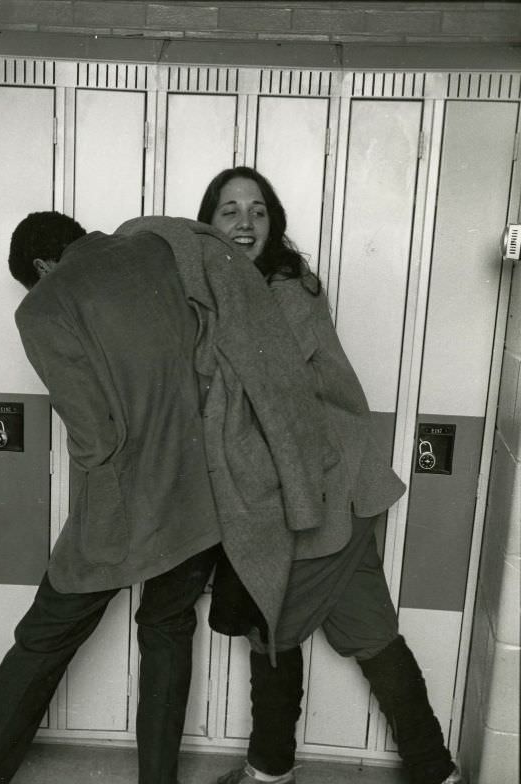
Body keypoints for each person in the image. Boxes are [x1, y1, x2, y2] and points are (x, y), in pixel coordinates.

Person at [196, 167, 463, 784]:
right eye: (229, 210)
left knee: (275, 623)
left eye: (258, 211)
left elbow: (251, 391)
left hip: (325, 489)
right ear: (208, 224)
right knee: (365, 631)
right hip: (308, 496)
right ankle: (432, 771)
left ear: (274, 223)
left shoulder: (290, 292)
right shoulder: (220, 296)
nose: (244, 223)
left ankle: (271, 769)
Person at [0, 211, 224, 784]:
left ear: (43, 266)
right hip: (200, 495)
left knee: (41, 643)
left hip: (122, 505)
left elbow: (95, 436)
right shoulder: (156, 255)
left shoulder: (44, 306)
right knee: (169, 631)